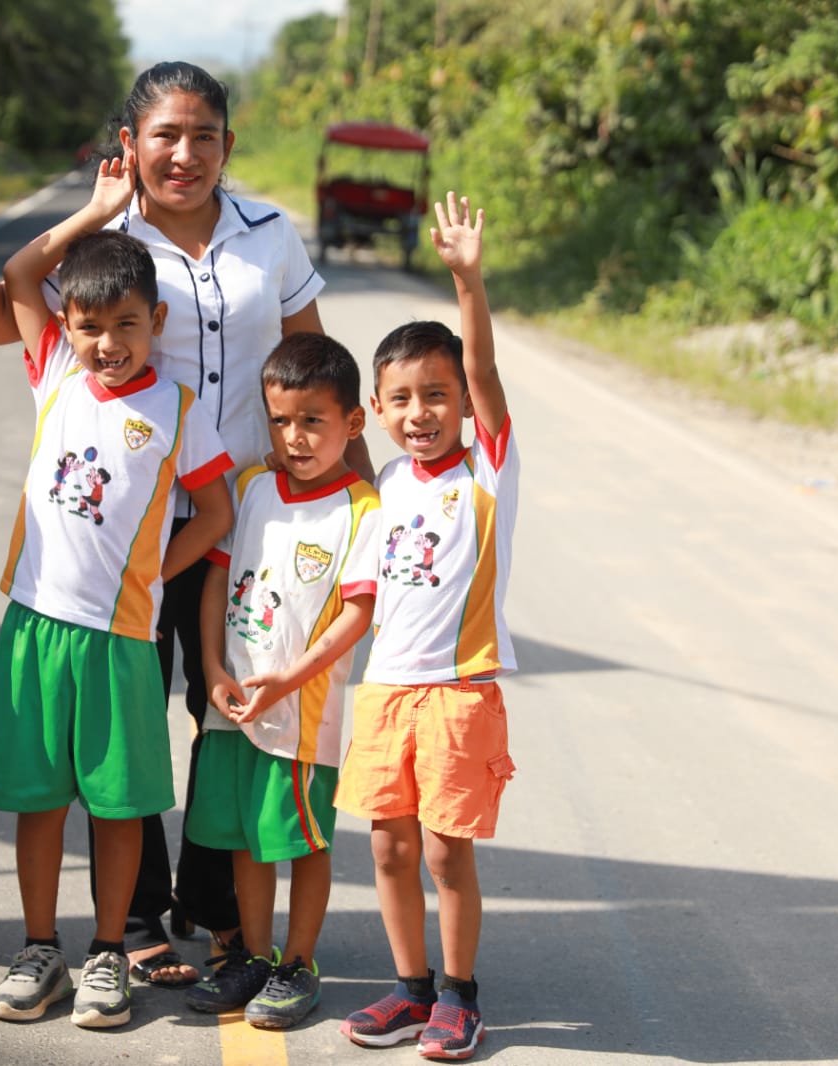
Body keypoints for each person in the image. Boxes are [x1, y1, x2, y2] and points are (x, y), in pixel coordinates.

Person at [0, 60, 366, 986]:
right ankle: (140, 918)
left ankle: (216, 902)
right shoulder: (102, 242)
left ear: (228, 147)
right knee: (133, 721)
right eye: (165, 135)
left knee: (229, 714)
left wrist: (367, 501)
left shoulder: (271, 238)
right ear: (131, 146)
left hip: (248, 523)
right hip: (117, 545)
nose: (184, 154)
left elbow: (316, 362)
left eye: (203, 136)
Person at [0, 155, 234, 1029]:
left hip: (120, 639)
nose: (107, 343)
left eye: (126, 325)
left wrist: (157, 569)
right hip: (35, 625)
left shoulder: (180, 408)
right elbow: (18, 275)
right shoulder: (54, 372)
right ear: (68, 329)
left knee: (118, 806)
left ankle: (109, 950)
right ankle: (40, 946)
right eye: (90, 326)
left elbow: (217, 510)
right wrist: (95, 211)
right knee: (40, 802)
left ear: (157, 322)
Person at [334, 195, 517, 1061]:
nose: (422, 412)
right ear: (377, 408)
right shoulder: (385, 488)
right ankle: (409, 990)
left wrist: (466, 281)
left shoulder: (486, 467)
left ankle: (459, 994)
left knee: (447, 855)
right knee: (389, 848)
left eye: (436, 396)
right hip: (384, 694)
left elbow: (481, 370)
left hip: (457, 691)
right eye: (402, 399)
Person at [183, 333, 380, 1029]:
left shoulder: (362, 511)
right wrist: (211, 667)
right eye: (281, 421)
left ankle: (299, 961)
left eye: (313, 421)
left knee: (301, 839)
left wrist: (286, 681)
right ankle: (255, 956)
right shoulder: (249, 486)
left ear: (352, 424)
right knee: (243, 838)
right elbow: (215, 581)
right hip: (236, 704)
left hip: (301, 716)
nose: (294, 438)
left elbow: (354, 618)